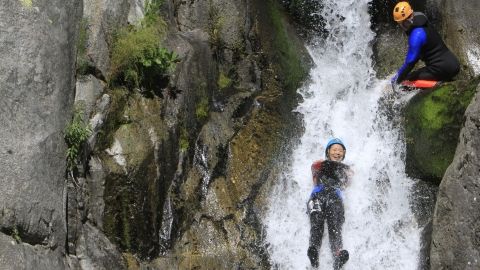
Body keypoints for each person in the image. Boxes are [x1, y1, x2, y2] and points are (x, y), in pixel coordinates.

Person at [390, 1, 460, 86]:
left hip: (442, 68)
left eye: (405, 23)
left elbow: (410, 63)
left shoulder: (416, 35)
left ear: (411, 16)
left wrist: (395, 80)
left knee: (405, 81)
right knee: (416, 73)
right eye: (401, 24)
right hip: (452, 62)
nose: (404, 27)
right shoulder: (420, 16)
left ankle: (438, 85)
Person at [307, 138, 351, 269]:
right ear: (328, 152)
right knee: (317, 221)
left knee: (335, 225)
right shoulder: (319, 164)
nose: (337, 152)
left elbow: (348, 182)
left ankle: (337, 255)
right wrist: (330, 165)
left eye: (340, 150)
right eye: (334, 149)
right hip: (317, 196)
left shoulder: (346, 169)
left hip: (335, 197)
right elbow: (314, 168)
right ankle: (313, 251)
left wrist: (345, 171)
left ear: (344, 153)